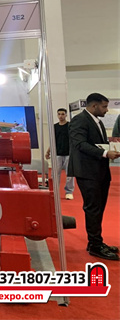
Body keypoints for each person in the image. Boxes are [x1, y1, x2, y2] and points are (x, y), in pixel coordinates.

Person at [68, 93, 120, 261]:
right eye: (104, 107)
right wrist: (105, 153)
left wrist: (111, 149)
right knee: (93, 209)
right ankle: (95, 246)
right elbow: (80, 144)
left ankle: (96, 242)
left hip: (100, 171)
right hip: (87, 172)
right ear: (94, 106)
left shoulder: (97, 121)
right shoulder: (79, 120)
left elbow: (97, 144)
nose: (107, 110)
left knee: (98, 208)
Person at [45, 108, 74, 200]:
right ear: (57, 115)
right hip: (57, 153)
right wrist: (48, 151)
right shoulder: (55, 127)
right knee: (55, 174)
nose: (61, 116)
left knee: (70, 174)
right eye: (59, 114)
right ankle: (54, 191)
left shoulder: (70, 126)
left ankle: (69, 192)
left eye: (62, 114)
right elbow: (53, 140)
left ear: (66, 115)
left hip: (69, 153)